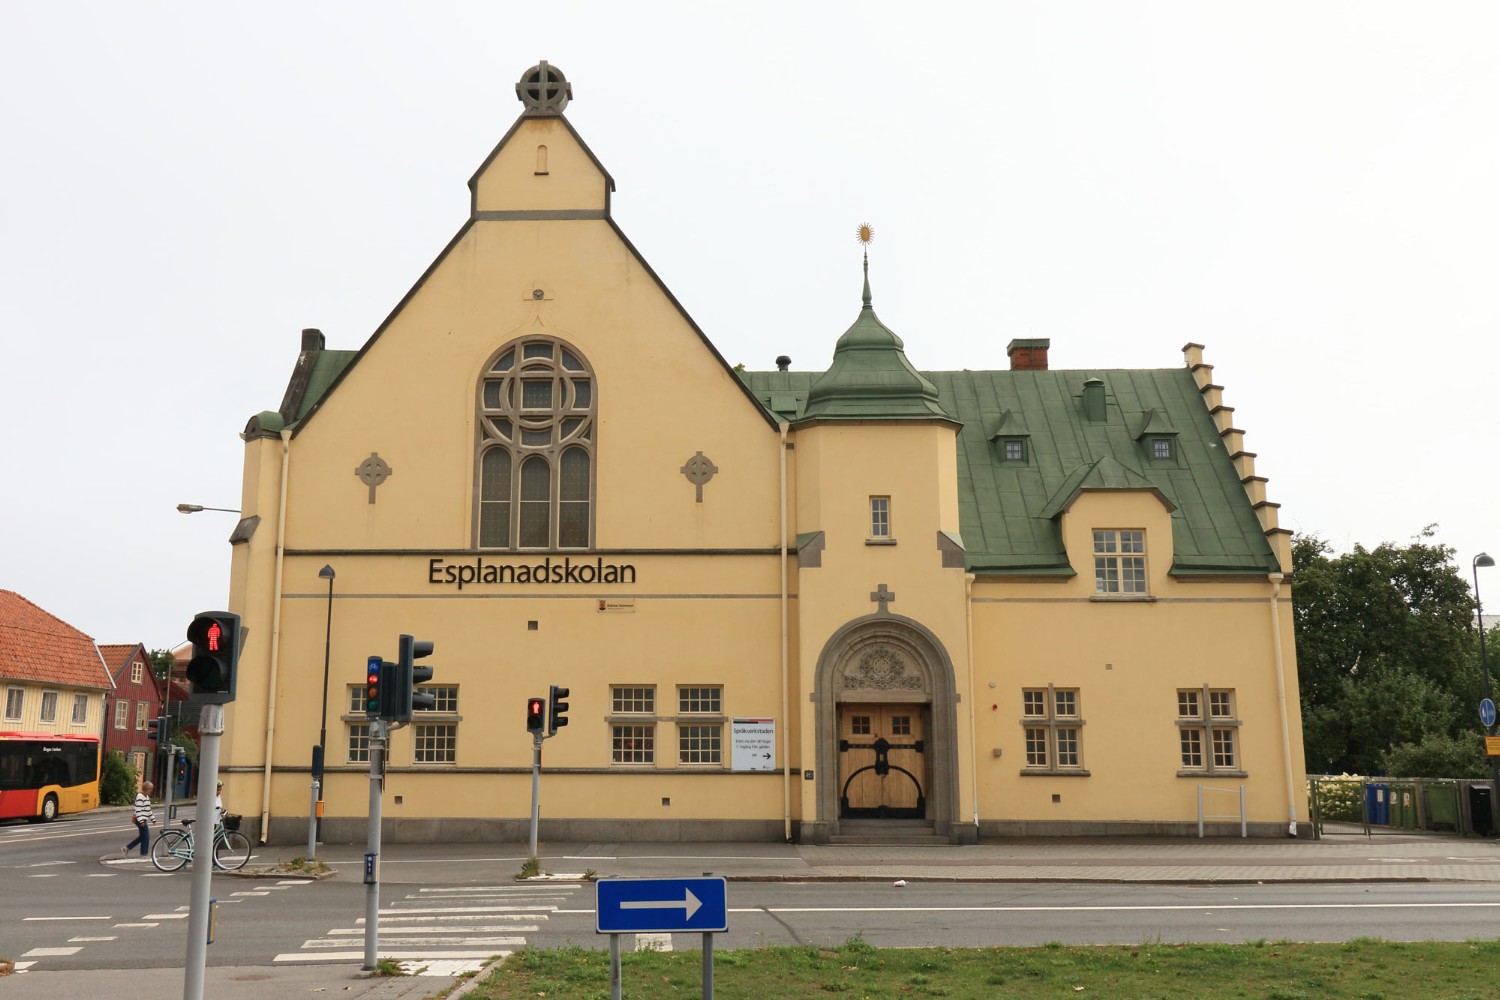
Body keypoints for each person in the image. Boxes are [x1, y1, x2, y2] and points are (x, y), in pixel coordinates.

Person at [124, 781, 153, 857]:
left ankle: (127, 848)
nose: (151, 791)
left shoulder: (147, 797)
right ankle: (144, 854)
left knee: (143, 836)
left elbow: (148, 809)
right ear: (146, 789)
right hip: (139, 819)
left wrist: (153, 818)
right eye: (150, 789)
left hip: (143, 819)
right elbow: (138, 809)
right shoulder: (140, 796)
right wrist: (141, 821)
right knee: (146, 837)